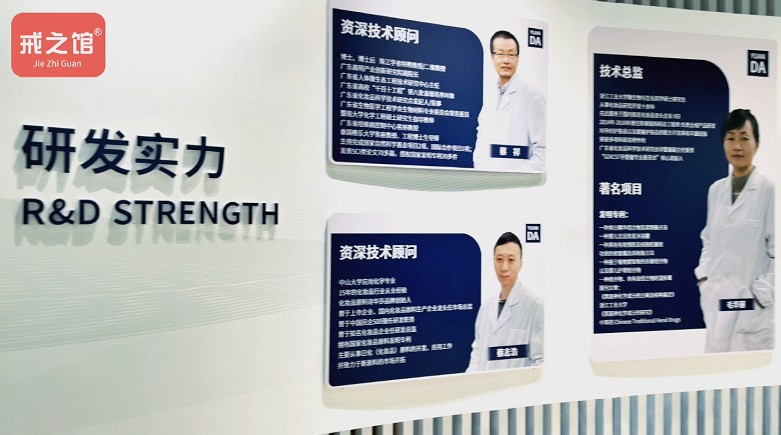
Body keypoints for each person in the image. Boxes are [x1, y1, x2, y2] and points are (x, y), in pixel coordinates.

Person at [695, 109, 774, 353]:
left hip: (752, 308)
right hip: (716, 300)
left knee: (747, 368)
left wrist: (761, 293)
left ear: (757, 144)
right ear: (723, 143)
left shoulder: (769, 191)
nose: (737, 146)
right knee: (716, 367)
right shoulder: (715, 190)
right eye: (730, 138)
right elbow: (709, 238)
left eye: (744, 138)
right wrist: (704, 277)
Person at [466, 232, 543, 371]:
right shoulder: (486, 307)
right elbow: (477, 351)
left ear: (520, 264)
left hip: (516, 384)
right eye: (499, 259)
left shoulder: (535, 305)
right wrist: (471, 379)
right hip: (484, 383)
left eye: (511, 260)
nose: (504, 267)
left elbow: (539, 360)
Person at [472, 30, 546, 173]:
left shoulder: (533, 97)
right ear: (492, 57)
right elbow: (481, 143)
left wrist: (515, 177)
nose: (506, 60)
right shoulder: (488, 96)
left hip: (520, 181)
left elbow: (542, 152)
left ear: (517, 58)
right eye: (500, 54)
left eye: (511, 54)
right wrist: (481, 170)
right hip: (487, 178)